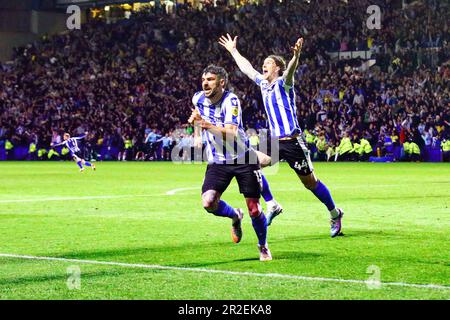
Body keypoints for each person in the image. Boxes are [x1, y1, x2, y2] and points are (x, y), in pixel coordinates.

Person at [219, 34, 344, 237]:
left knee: (310, 183)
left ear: (277, 67)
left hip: (293, 142)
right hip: (275, 142)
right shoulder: (263, 84)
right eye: (264, 63)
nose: (264, 66)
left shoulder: (283, 84)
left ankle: (335, 213)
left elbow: (291, 71)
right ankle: (272, 204)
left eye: (268, 63)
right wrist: (233, 50)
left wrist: (296, 56)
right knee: (250, 165)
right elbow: (247, 68)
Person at [188, 65, 271, 261]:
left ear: (221, 82)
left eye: (210, 79)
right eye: (203, 79)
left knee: (254, 209)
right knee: (208, 202)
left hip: (243, 158)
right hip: (218, 161)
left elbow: (231, 133)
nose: (205, 83)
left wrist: (204, 125)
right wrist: (198, 133)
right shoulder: (197, 98)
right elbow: (197, 116)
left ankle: (263, 246)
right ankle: (235, 215)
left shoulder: (231, 101)